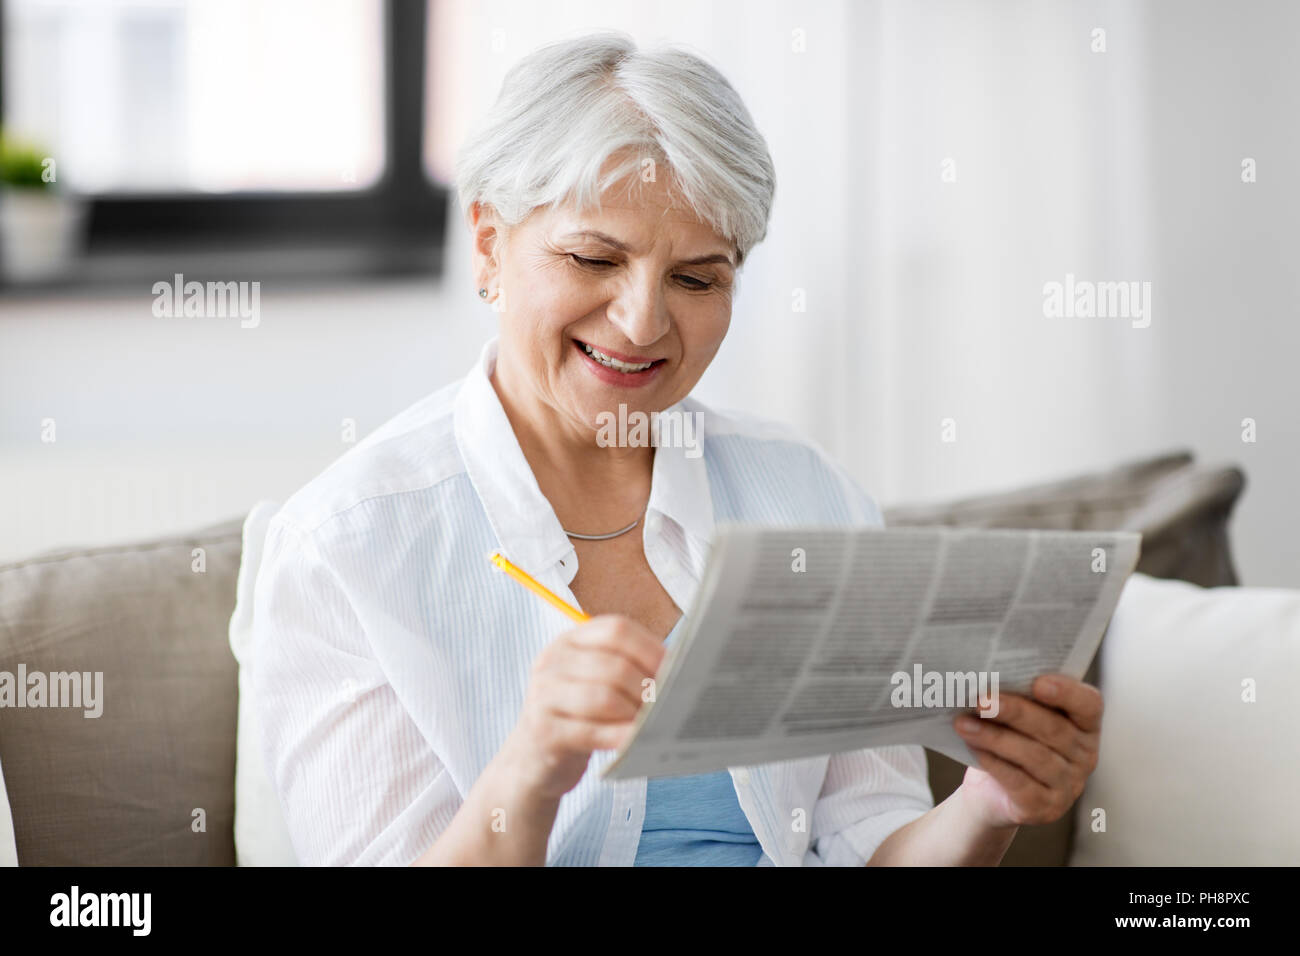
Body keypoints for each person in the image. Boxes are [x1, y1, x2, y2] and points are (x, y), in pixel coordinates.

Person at [251, 31, 1102, 866]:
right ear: (487, 244)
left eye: (698, 278)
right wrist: (532, 770)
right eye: (593, 258)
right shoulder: (345, 550)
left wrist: (990, 804)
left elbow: (870, 844)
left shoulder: (805, 495)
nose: (643, 322)